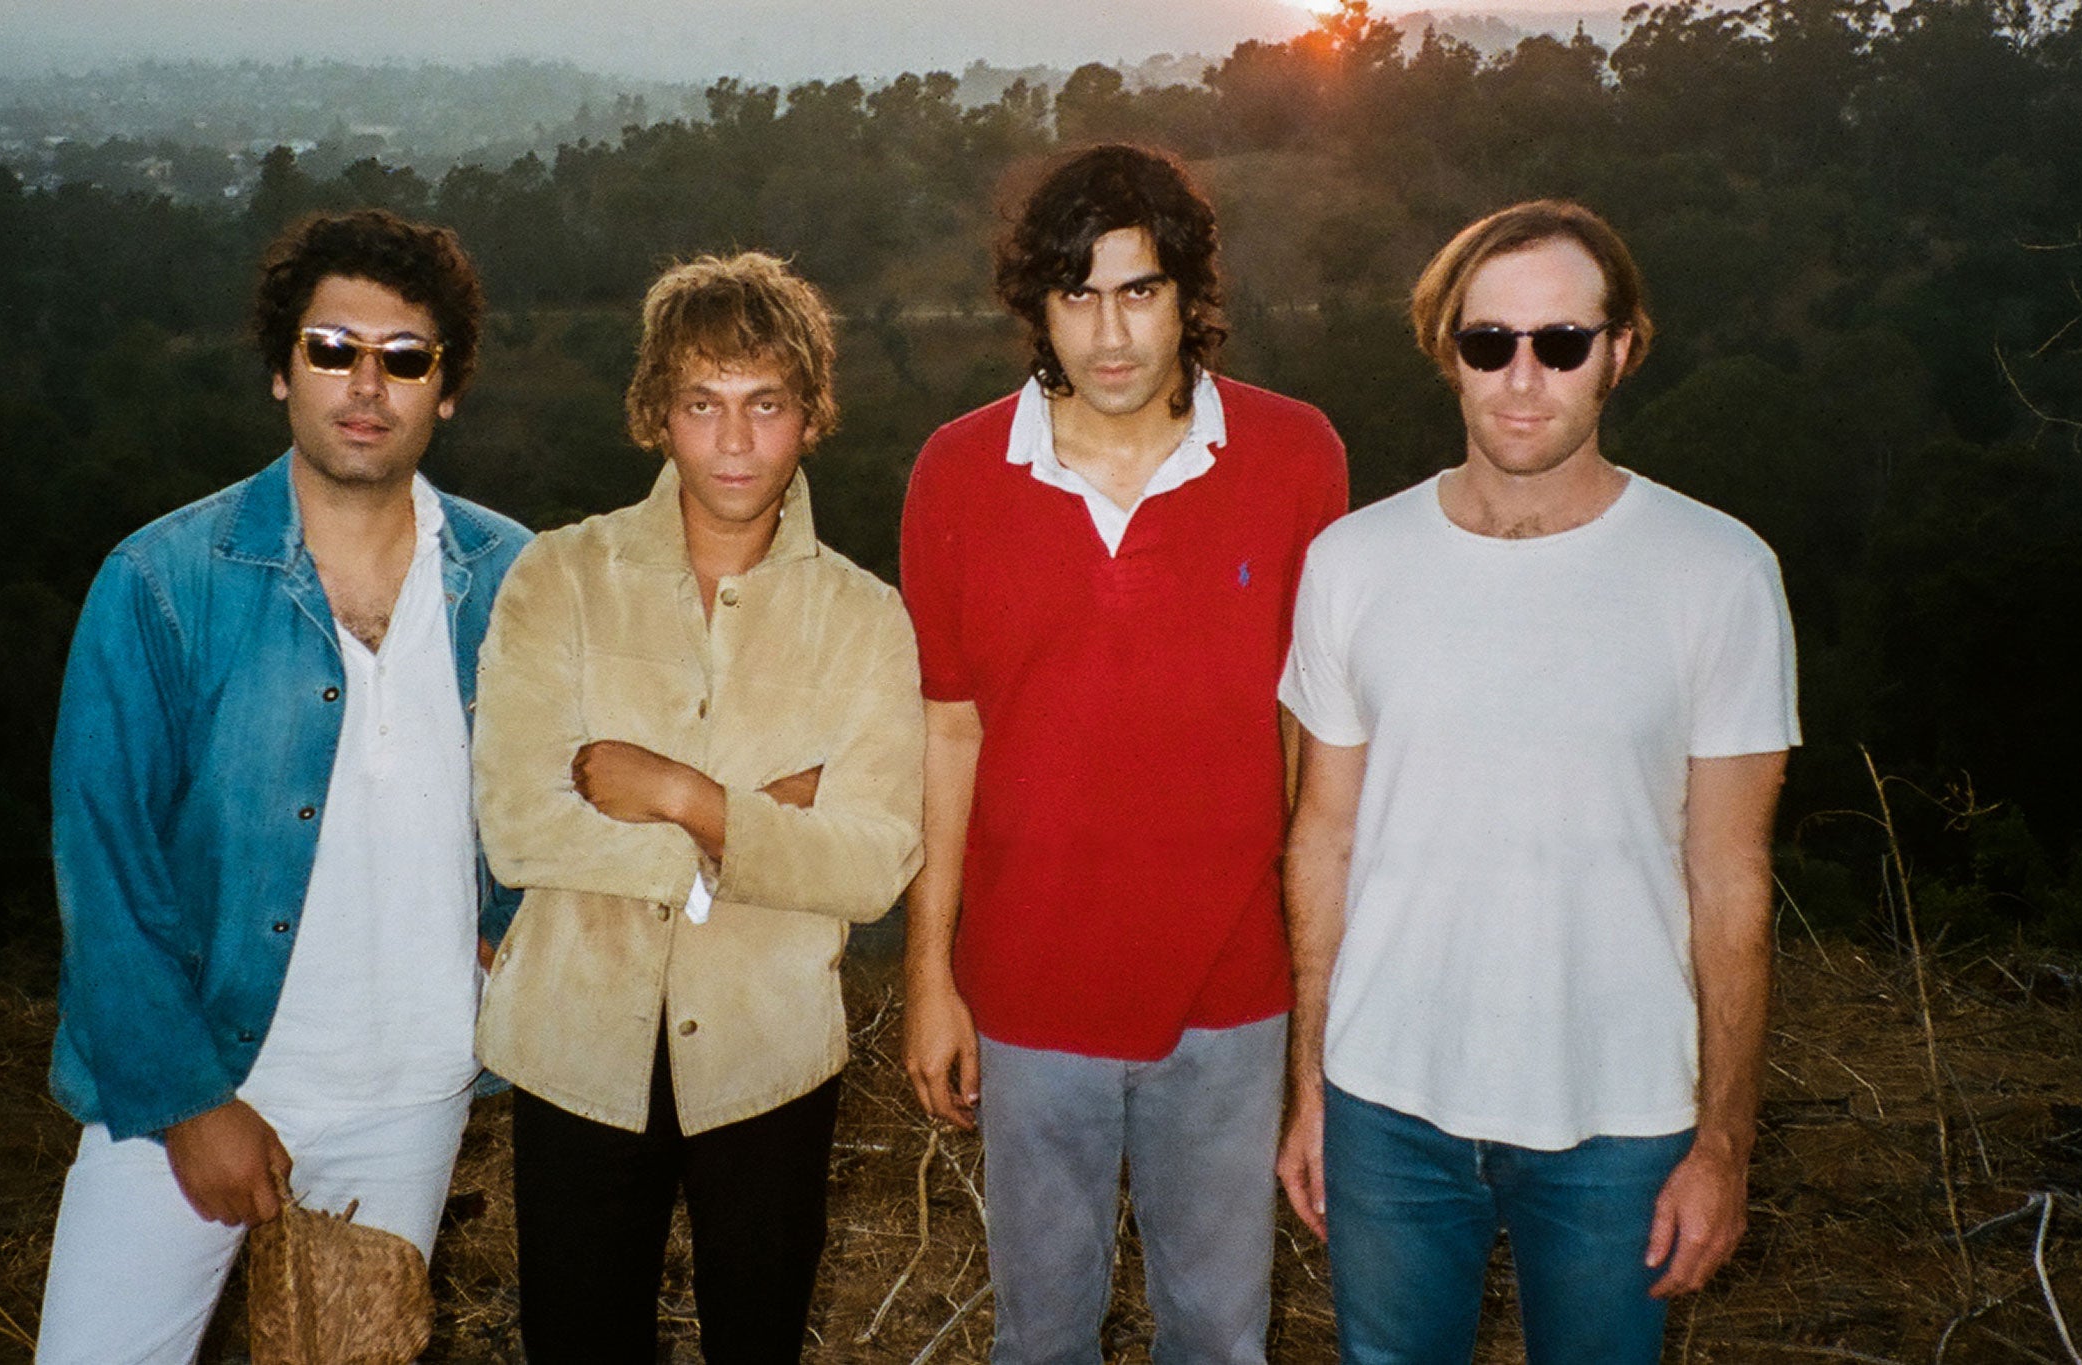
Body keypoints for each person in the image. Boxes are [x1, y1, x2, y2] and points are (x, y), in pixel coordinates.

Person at [1274, 199, 1800, 1363]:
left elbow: (1729, 879)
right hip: (1384, 1104)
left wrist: (1723, 1144)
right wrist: (1309, 1088)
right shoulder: (1351, 563)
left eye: (1560, 343)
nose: (1521, 378)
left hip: (1622, 1118)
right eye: (1487, 342)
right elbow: (1322, 839)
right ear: (1445, 351)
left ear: (1620, 349)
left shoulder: (1717, 574)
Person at [35, 209, 529, 1362]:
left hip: (412, 1093)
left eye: (404, 357)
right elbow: (103, 861)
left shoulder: (516, 578)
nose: (366, 384)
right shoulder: (163, 582)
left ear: (447, 388)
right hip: (201, 1074)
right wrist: (188, 1102)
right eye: (331, 348)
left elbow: (560, 804)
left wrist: (516, 937)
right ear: (280, 368)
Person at [898, 142, 1348, 1364]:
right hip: (1026, 987)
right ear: (1036, 306)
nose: (1109, 334)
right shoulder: (955, 472)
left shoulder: (1295, 456)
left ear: (1186, 293)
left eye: (1139, 291)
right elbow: (947, 729)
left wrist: (1315, 974)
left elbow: (1312, 733)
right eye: (1077, 294)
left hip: (1231, 986)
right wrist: (930, 971)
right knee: (1041, 1337)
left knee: (1216, 1333)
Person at [470, 250, 923, 1364]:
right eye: (702, 403)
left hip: (769, 1055)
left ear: (809, 417)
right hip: (576, 1046)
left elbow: (873, 863)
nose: (733, 440)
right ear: (655, 415)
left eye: (765, 404)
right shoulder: (558, 578)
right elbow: (519, 826)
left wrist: (682, 796)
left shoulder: (865, 618)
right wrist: (758, 830)